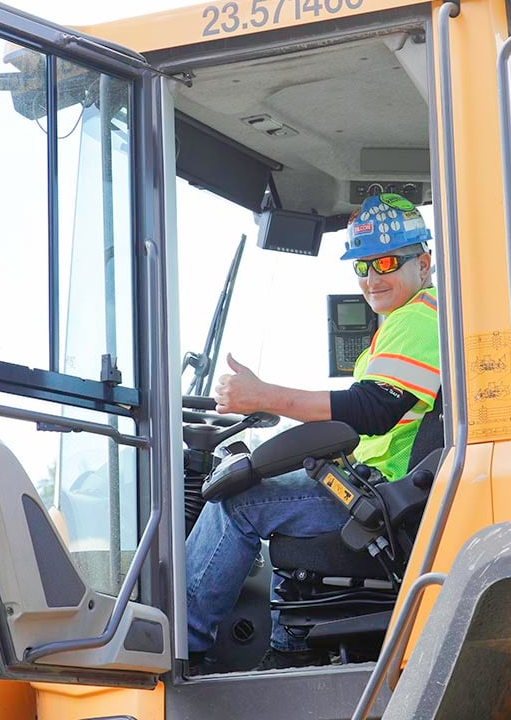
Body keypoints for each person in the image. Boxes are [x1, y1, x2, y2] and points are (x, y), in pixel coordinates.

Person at [185, 194, 441, 671]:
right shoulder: (411, 321)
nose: (371, 278)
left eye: (385, 261)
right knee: (276, 489)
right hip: (377, 492)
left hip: (379, 500)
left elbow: (371, 410)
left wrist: (263, 396)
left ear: (422, 263)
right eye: (361, 267)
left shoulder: (419, 320)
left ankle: (179, 646)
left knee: (237, 502)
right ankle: (290, 649)